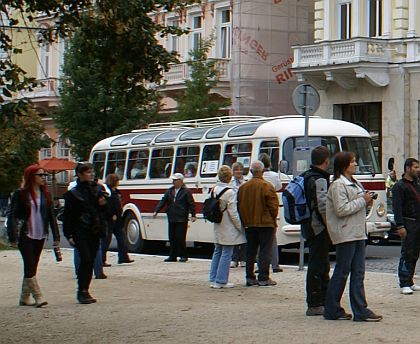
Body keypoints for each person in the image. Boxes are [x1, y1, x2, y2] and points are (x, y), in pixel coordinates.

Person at [324, 152, 382, 322]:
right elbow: (341, 209)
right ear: (344, 166)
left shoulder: (354, 183)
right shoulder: (337, 185)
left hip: (356, 232)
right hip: (345, 233)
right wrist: (363, 200)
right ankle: (332, 308)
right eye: (353, 162)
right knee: (343, 272)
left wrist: (366, 200)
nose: (355, 164)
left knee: (358, 272)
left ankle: (360, 309)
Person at [7, 164, 60, 307]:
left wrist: (56, 236)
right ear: (31, 177)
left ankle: (24, 297)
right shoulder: (21, 193)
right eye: (40, 175)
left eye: (45, 175)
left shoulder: (46, 195)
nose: (44, 178)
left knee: (33, 266)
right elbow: (12, 214)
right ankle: (38, 296)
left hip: (40, 234)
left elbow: (51, 217)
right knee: (29, 264)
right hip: (25, 234)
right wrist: (12, 235)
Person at [63, 163, 108, 304]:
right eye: (88, 172)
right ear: (80, 174)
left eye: (91, 172)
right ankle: (81, 290)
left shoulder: (97, 190)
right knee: (86, 258)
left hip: (94, 230)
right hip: (79, 230)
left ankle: (85, 289)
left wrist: (103, 204)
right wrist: (68, 234)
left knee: (91, 259)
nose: (91, 174)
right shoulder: (73, 194)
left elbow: (104, 211)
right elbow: (68, 216)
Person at [237, 160, 279, 287]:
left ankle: (249, 277)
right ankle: (263, 277)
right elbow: (273, 206)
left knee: (250, 250)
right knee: (265, 250)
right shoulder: (267, 186)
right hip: (265, 223)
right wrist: (272, 219)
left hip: (249, 223)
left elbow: (239, 206)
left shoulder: (243, 188)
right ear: (262, 171)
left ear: (250, 171)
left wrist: (244, 220)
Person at [301, 146, 331, 316]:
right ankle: (315, 302)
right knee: (318, 264)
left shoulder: (307, 176)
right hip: (318, 226)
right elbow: (322, 206)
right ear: (326, 160)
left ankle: (320, 299)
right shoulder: (319, 179)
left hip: (309, 224)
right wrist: (329, 225)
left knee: (319, 262)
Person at [209, 166, 246, 289]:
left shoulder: (214, 189)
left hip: (217, 223)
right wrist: (240, 227)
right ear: (229, 177)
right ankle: (221, 280)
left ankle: (213, 278)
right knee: (227, 252)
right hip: (227, 225)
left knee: (217, 250)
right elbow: (233, 213)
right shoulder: (230, 192)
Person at [68, 175, 107, 279]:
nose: (91, 174)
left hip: (87, 223)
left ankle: (80, 272)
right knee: (90, 250)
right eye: (88, 172)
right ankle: (97, 272)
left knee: (81, 250)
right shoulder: (97, 188)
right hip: (86, 223)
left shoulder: (73, 187)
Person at [153, 173, 196, 262]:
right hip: (172, 217)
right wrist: (156, 210)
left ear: (180, 181)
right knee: (172, 237)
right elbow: (163, 200)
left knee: (180, 237)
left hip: (181, 218)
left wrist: (193, 215)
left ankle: (183, 255)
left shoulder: (186, 191)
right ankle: (172, 256)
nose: (173, 182)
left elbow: (191, 203)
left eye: (175, 180)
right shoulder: (169, 191)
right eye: (173, 180)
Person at [393, 158, 420, 295]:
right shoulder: (399, 186)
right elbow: (397, 208)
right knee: (407, 252)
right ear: (408, 168)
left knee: (415, 253)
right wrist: (400, 226)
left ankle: (410, 280)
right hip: (408, 222)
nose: (418, 169)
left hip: (417, 221)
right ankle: (404, 281)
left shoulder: (417, 184)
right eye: (415, 167)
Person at [102, 173, 134, 266]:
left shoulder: (116, 191)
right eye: (117, 181)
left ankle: (123, 257)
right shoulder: (107, 192)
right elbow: (107, 205)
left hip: (118, 219)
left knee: (122, 238)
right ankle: (102, 260)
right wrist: (111, 214)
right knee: (106, 240)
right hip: (110, 219)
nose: (118, 182)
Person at [259, 153, 282, 273]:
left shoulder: (256, 177)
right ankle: (275, 265)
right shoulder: (274, 176)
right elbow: (278, 187)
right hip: (270, 211)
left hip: (258, 211)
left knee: (259, 242)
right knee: (272, 240)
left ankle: (260, 265)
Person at [229, 162, 247, 268]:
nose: (238, 172)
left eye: (240, 170)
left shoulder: (245, 181)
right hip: (234, 208)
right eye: (236, 170)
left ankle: (243, 259)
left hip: (243, 209)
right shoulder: (230, 182)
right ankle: (234, 258)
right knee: (235, 234)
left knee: (244, 235)